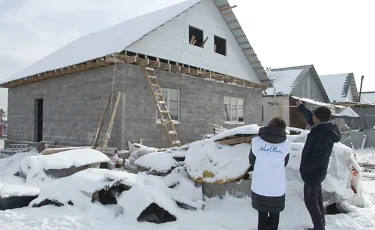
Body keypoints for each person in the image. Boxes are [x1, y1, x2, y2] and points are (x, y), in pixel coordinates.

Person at [296, 100, 341, 230]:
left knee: (311, 202)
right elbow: (310, 117)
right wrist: (301, 106)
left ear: (318, 118)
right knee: (316, 199)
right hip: (317, 172)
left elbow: (318, 158)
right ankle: (320, 226)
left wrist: (305, 169)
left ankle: (319, 227)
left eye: (315, 115)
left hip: (313, 173)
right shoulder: (323, 128)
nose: (313, 117)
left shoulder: (322, 134)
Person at [249, 117, 290, 230]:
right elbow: (285, 162)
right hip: (277, 185)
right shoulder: (285, 145)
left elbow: (251, 160)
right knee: (275, 213)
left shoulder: (257, 142)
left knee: (262, 214)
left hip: (260, 184)